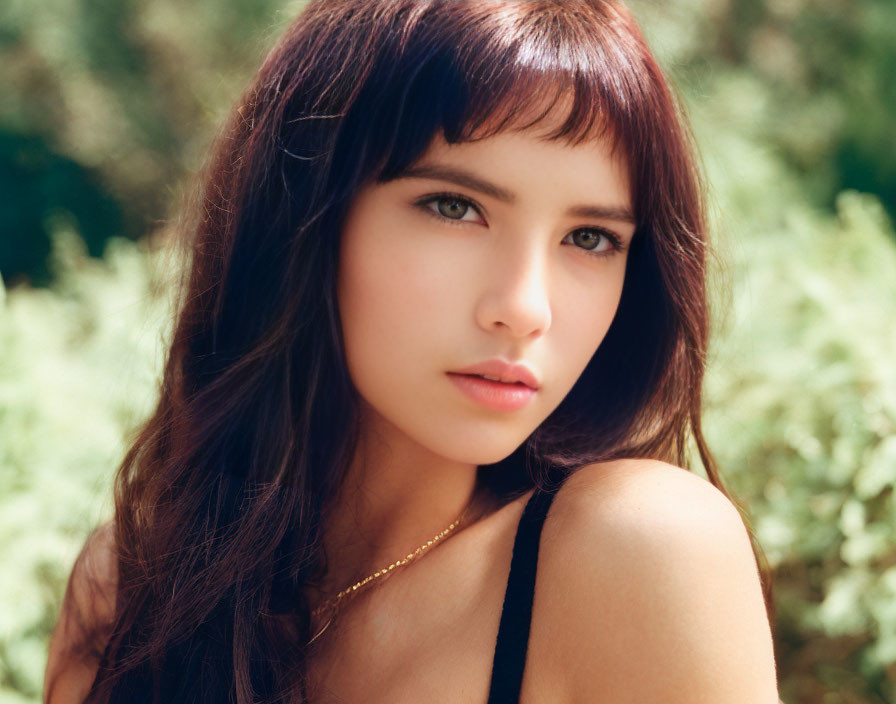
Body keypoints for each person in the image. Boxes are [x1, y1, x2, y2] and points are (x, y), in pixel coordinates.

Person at [43, 1, 779, 702]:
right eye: (455, 207)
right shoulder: (132, 592)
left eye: (590, 239)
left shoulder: (639, 550)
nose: (525, 308)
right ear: (307, 216)